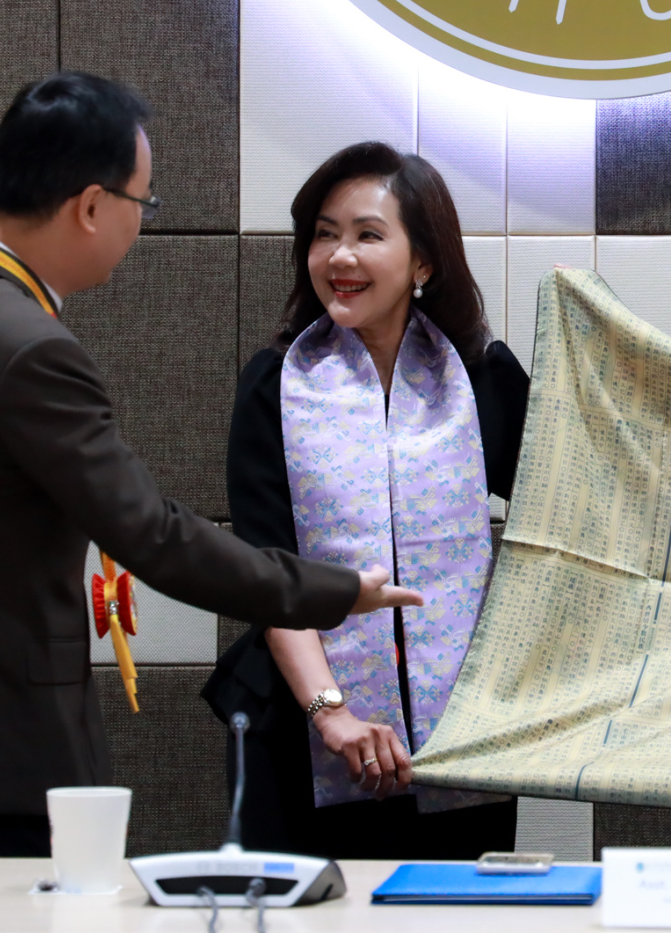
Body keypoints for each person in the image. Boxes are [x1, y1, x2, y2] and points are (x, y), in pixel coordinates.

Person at [0, 73, 422, 858]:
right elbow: (154, 536)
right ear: (92, 206)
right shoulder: (30, 348)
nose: (140, 224)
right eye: (143, 202)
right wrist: (337, 591)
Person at [203, 142, 530, 860]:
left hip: (459, 738)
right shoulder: (274, 383)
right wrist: (332, 712)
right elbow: (268, 573)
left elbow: (567, 516)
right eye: (325, 234)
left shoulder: (481, 378)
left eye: (367, 235)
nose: (340, 256)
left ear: (424, 263)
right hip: (302, 727)